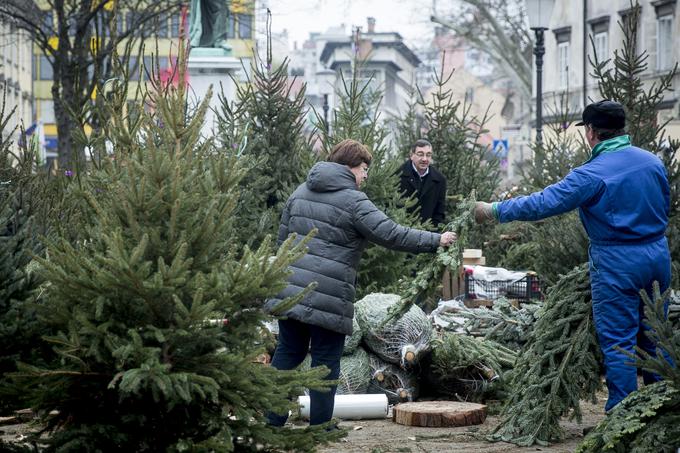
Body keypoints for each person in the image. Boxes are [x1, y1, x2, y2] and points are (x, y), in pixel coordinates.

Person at [474, 100, 671, 412]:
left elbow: (543, 203)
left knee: (619, 341)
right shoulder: (652, 162)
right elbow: (666, 205)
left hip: (617, 262)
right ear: (621, 129)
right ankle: (666, 408)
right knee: (656, 336)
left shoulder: (591, 174)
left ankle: (623, 415)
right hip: (658, 256)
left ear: (591, 133)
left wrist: (494, 210)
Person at [265, 139, 456, 427]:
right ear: (349, 167)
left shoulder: (299, 192)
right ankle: (320, 425)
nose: (366, 175)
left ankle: (271, 421)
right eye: (364, 168)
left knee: (287, 354)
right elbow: (391, 234)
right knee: (326, 361)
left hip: (291, 292)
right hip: (328, 297)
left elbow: (282, 244)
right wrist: (435, 240)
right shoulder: (354, 200)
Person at [399, 139, 447, 226]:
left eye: (428, 155)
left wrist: (434, 235)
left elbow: (439, 212)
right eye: (420, 154)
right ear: (411, 155)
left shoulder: (439, 180)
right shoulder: (398, 175)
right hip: (401, 232)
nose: (424, 159)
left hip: (428, 234)